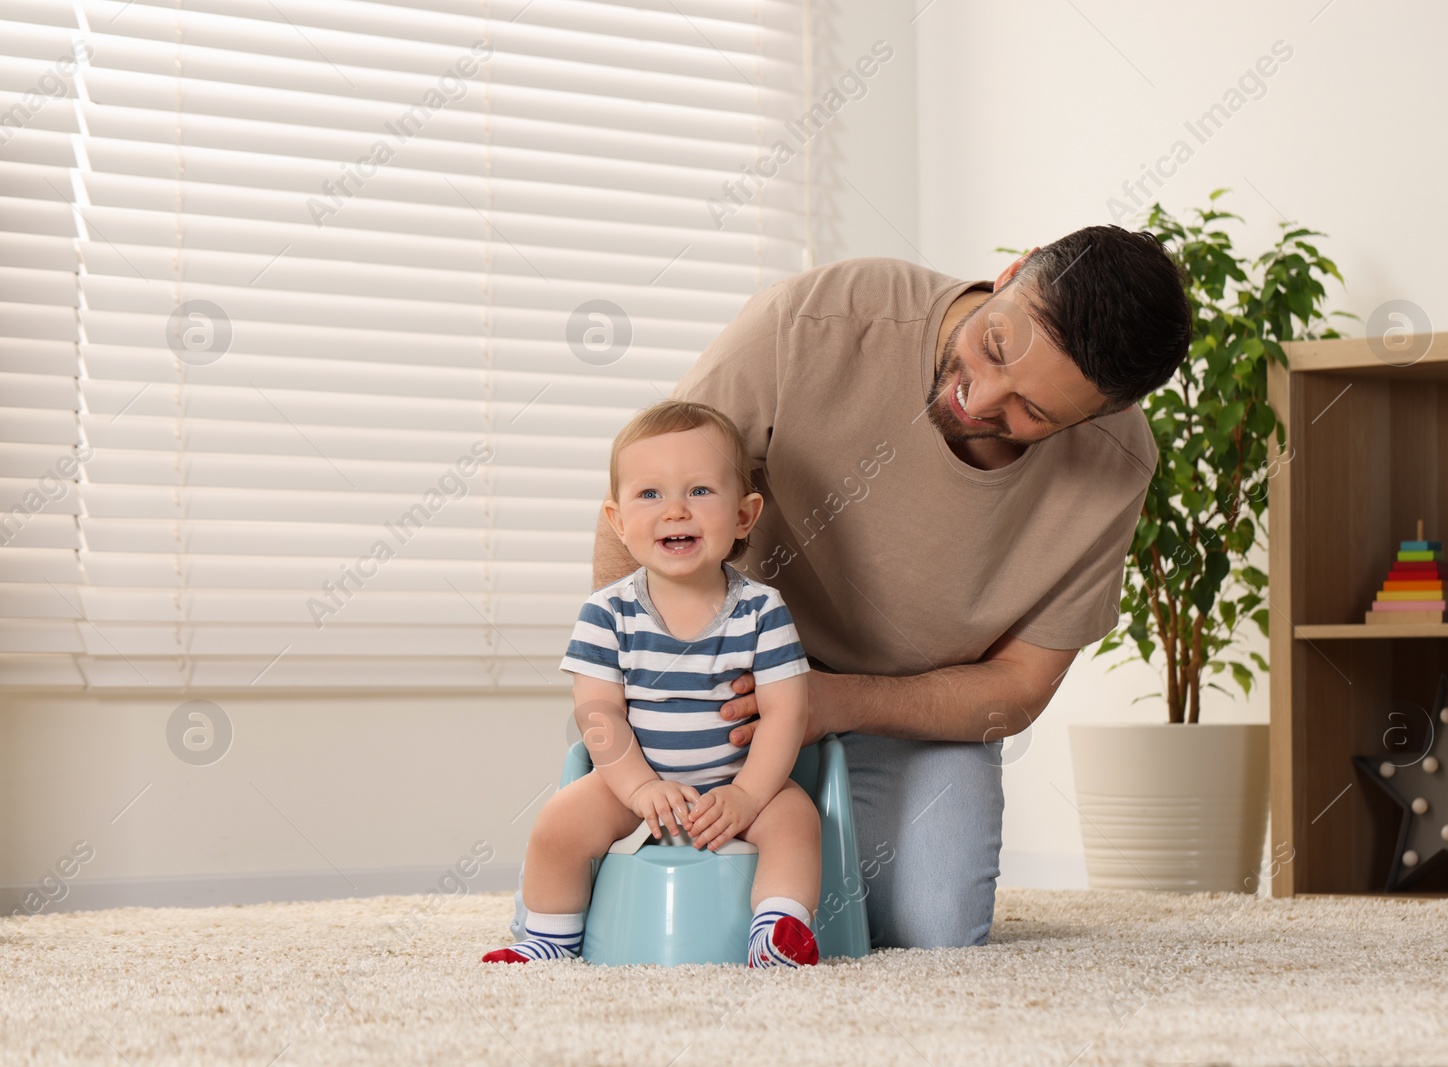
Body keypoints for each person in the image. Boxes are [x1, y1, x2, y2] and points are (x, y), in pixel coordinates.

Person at [584, 226, 1192, 950]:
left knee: (935, 933)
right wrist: (635, 701)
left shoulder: (1116, 464)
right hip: (719, 685)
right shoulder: (820, 318)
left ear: (1101, 415)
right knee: (653, 902)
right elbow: (646, 504)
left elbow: (1019, 687)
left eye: (1035, 412)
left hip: (910, 716)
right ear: (1012, 271)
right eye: (995, 347)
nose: (981, 397)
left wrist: (833, 702)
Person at [484, 399, 823, 968]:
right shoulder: (607, 613)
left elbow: (788, 713)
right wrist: (640, 790)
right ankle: (550, 936)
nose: (675, 512)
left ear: (744, 515)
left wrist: (748, 794)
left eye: (699, 491)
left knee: (797, 820)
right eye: (650, 494)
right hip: (635, 786)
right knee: (558, 824)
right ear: (617, 522)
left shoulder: (762, 610)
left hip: (738, 782)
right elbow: (600, 715)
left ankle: (776, 928)